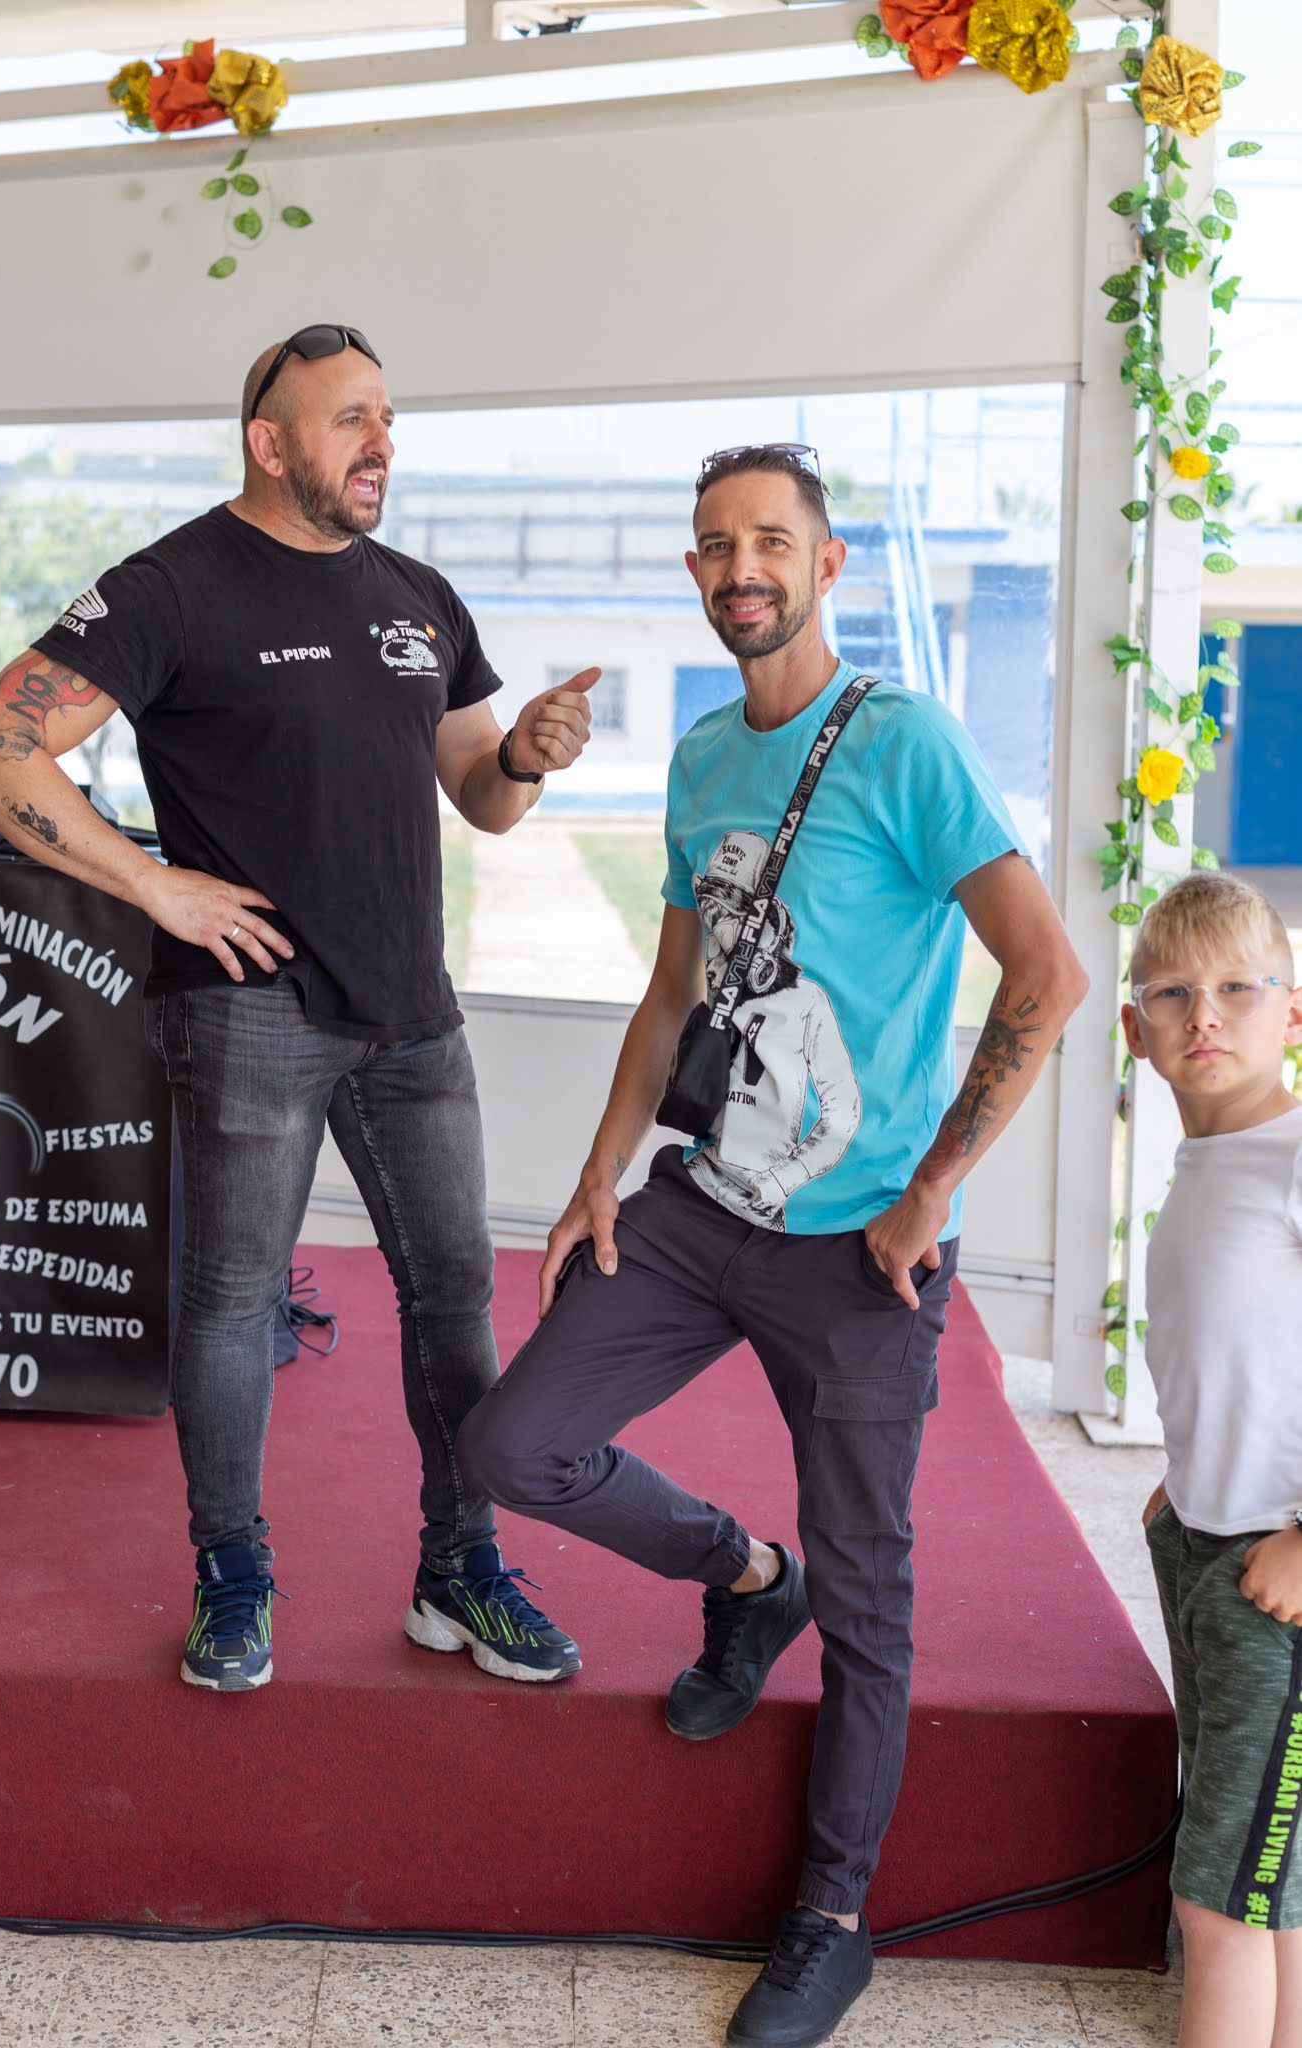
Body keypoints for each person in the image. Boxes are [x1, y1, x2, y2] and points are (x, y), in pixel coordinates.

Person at [457, 442, 1088, 2047]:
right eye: (715, 545)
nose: (741, 568)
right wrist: (598, 1178)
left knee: (871, 1603)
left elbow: (1045, 974)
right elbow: (672, 994)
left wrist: (932, 1188)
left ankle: (831, 1922)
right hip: (700, 1208)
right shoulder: (697, 760)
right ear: (695, 572)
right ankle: (746, 1579)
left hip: (863, 1250)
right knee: (512, 1444)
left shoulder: (905, 742)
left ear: (827, 563)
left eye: (769, 541)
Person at [0, 322, 598, 1696]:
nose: (381, 442)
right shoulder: (171, 587)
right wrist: (152, 884)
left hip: (412, 1014)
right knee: (233, 1306)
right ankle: (232, 1575)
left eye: (387, 416)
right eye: (351, 417)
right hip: (250, 1014)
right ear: (269, 440)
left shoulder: (418, 595)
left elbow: (479, 793)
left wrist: (528, 758)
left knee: (453, 1296)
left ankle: (460, 1568)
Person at [1125, 872, 1302, 2048]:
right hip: (1201, 1540)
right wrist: (1184, 1478)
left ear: (1293, 1010)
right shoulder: (1208, 1161)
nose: (1205, 1014)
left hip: (1273, 1578)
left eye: (1239, 987)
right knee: (1265, 1875)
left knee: (1218, 1901)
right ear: (1135, 1027)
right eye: (1174, 992)